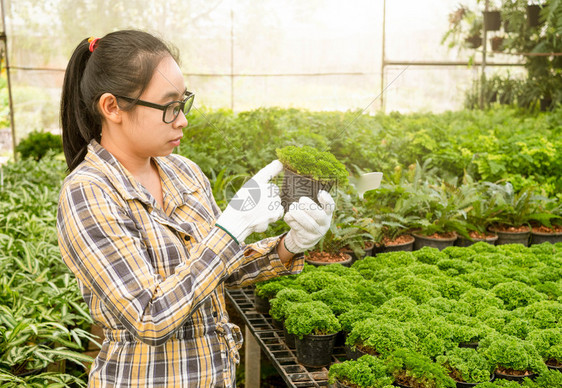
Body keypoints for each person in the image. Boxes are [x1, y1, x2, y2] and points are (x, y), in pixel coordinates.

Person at [56, 30, 335, 387]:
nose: (182, 120)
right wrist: (228, 230)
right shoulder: (89, 192)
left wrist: (289, 246)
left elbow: (219, 272)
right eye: (169, 107)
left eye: (183, 102)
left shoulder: (184, 172)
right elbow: (149, 317)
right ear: (112, 107)